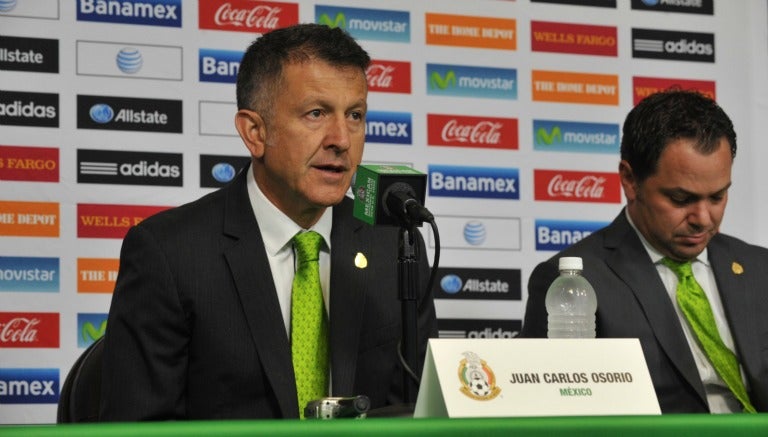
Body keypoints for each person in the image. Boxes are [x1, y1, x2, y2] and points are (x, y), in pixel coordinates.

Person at [99, 23, 437, 421]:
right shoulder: (170, 253)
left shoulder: (393, 245)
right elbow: (139, 427)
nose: (341, 139)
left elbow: (418, 414)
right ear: (254, 132)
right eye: (316, 113)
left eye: (355, 115)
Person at [520, 89, 768, 413]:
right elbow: (554, 412)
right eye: (681, 199)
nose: (704, 219)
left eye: (717, 197)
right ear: (630, 180)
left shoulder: (760, 268)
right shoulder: (575, 280)